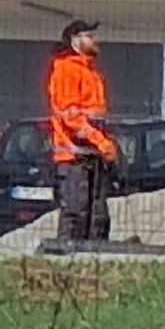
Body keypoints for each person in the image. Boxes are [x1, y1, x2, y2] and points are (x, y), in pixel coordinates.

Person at [44, 19, 116, 247]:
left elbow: (96, 114)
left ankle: (94, 261)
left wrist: (105, 144)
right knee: (75, 214)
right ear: (75, 40)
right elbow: (70, 115)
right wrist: (101, 142)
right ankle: (66, 264)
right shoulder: (66, 69)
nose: (95, 40)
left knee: (97, 217)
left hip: (93, 156)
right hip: (75, 156)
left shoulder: (91, 71)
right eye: (90, 36)